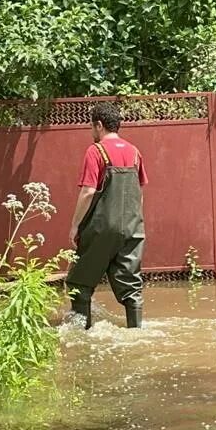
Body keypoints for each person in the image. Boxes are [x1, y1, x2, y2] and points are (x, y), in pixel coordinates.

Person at [66, 102, 148, 329]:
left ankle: (81, 335)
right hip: (133, 227)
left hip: (101, 228)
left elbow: (88, 192)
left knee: (79, 283)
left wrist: (75, 226)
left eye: (92, 127)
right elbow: (139, 193)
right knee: (131, 287)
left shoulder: (95, 151)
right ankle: (136, 330)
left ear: (99, 125)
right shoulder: (135, 152)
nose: (92, 132)